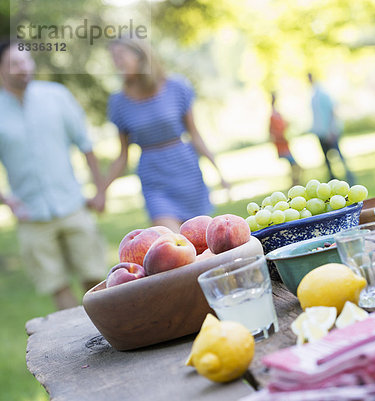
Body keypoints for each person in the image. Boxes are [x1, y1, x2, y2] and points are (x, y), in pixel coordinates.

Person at [0, 40, 108, 310]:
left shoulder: (56, 95)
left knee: (96, 278)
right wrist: (7, 200)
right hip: (32, 215)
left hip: (73, 205)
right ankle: (78, 343)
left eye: (26, 61)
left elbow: (85, 144)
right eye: (15, 63)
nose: (24, 68)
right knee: (56, 285)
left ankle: (111, 331)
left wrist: (100, 191)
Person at [102, 39, 229, 233]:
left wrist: (219, 171)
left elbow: (194, 134)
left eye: (120, 56)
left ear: (140, 56)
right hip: (153, 177)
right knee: (169, 240)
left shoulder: (176, 87)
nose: (116, 62)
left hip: (185, 169)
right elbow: (122, 156)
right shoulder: (118, 102)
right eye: (113, 58)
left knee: (201, 240)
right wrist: (102, 191)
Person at [308, 73, 354, 184]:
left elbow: (332, 111)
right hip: (321, 133)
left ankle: (349, 177)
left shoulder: (323, 94)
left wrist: (331, 130)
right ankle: (332, 178)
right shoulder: (313, 95)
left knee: (338, 155)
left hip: (329, 132)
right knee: (327, 159)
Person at [269, 92, 302, 185]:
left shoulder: (278, 114)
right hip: (281, 146)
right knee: (295, 165)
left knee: (293, 166)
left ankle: (294, 183)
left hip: (285, 144)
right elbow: (272, 133)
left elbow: (284, 126)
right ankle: (294, 183)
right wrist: (280, 136)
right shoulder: (272, 116)